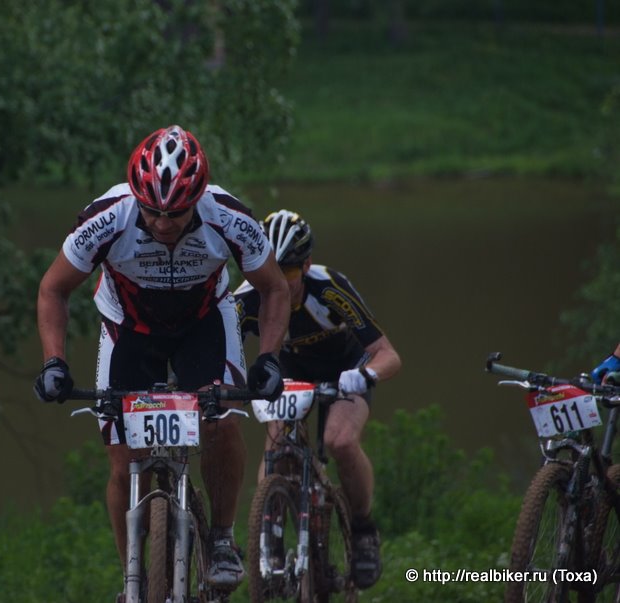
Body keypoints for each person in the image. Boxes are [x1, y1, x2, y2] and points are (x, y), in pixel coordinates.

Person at [34, 125, 290, 595]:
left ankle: (221, 538)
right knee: (122, 461)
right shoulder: (107, 217)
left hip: (203, 323)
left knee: (220, 420)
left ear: (199, 198)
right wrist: (54, 362)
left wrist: (269, 359)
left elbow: (274, 288)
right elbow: (53, 289)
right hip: (129, 329)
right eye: (151, 210)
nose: (162, 223)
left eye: (175, 212)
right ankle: (132, 577)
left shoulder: (229, 218)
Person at [233, 209, 401, 591]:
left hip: (345, 367)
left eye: (288, 272)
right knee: (276, 443)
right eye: (270, 271)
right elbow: (224, 357)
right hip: (288, 369)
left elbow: (388, 355)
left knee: (339, 441)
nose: (278, 282)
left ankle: (363, 529)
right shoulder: (247, 298)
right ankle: (270, 535)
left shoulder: (329, 288)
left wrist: (365, 375)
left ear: (306, 266)